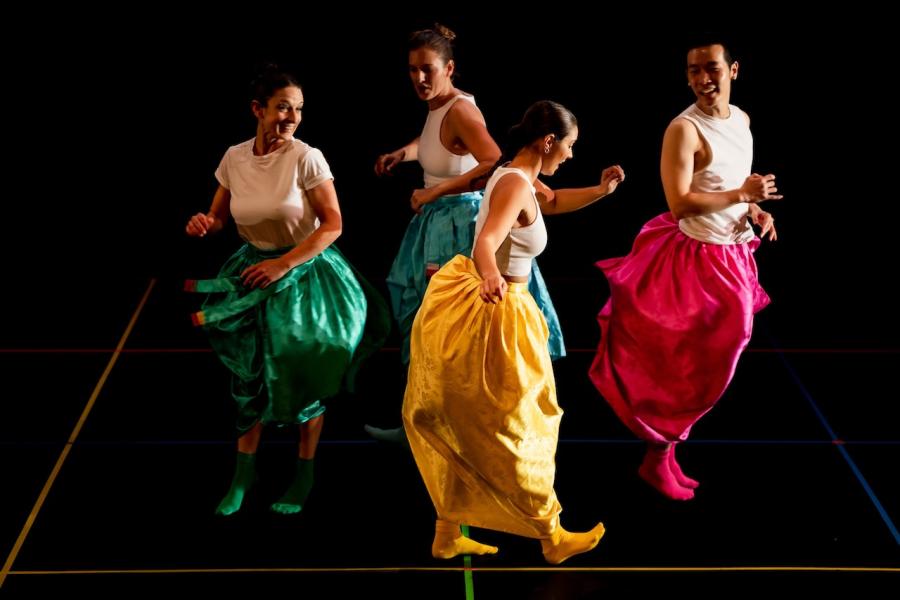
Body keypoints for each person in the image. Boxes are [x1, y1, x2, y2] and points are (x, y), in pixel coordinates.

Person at [403, 100, 623, 563]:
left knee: (476, 425)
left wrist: (602, 190)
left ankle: (447, 532)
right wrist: (488, 274)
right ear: (548, 142)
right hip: (501, 310)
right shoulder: (513, 184)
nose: (570, 154)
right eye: (569, 146)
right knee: (523, 426)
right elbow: (486, 241)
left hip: (507, 306)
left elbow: (556, 201)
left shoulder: (516, 176)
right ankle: (551, 535)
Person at [366, 24, 601, 443]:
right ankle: (426, 419)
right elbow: (435, 143)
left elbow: (492, 158)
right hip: (437, 221)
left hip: (456, 222)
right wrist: (403, 154)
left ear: (449, 68)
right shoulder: (439, 107)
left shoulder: (461, 109)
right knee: (430, 327)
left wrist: (435, 190)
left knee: (455, 332)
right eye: (412, 70)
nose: (419, 78)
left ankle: (458, 426)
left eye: (427, 69)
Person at [185, 66, 389, 516]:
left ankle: (304, 472)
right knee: (250, 376)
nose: (291, 117)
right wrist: (206, 223)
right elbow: (220, 217)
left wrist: (284, 264)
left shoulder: (307, 157)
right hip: (251, 270)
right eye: (282, 107)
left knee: (304, 373)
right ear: (257, 110)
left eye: (297, 109)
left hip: (304, 272)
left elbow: (333, 224)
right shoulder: (234, 158)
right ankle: (244, 473)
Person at [589, 41, 780, 501]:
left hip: (734, 255)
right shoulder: (683, 130)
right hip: (695, 259)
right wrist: (741, 195)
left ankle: (663, 452)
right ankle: (658, 454)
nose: (702, 79)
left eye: (711, 68)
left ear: (733, 69)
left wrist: (753, 208)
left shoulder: (742, 120)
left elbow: (729, 183)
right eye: (693, 71)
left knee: (711, 365)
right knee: (687, 366)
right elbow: (679, 203)